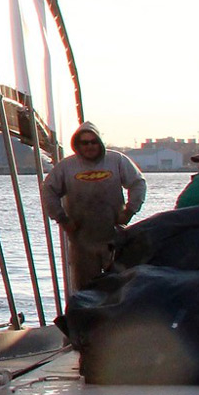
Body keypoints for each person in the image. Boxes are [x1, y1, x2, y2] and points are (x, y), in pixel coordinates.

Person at [41, 121, 146, 293]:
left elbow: (138, 183)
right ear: (78, 145)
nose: (90, 146)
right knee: (85, 290)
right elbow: (48, 191)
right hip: (82, 239)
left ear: (100, 143)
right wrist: (62, 218)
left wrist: (130, 210)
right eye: (85, 142)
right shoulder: (66, 167)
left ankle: (116, 317)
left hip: (114, 237)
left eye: (93, 141)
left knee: (120, 286)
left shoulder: (117, 160)